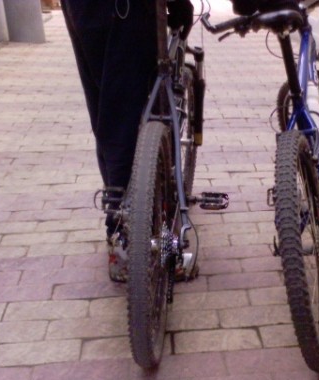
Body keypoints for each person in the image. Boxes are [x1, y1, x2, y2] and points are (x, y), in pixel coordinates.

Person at [61, 0, 298, 282]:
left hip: (80, 9)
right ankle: (141, 242)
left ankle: (121, 228)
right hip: (126, 11)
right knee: (134, 116)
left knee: (106, 112)